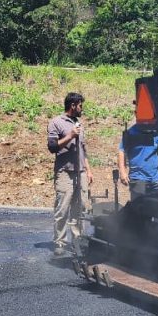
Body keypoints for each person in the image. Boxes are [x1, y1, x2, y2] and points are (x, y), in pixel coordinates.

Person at [47, 92, 94, 257]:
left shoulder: (79, 123)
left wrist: (88, 170)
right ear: (72, 105)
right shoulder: (56, 122)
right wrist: (70, 135)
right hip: (65, 173)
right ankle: (59, 241)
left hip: (80, 172)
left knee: (79, 208)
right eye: (80, 105)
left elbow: (83, 149)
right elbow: (52, 147)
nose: (82, 108)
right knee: (62, 209)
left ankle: (77, 241)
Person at [118, 123, 158, 199]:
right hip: (138, 178)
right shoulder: (131, 133)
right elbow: (122, 151)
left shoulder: (156, 132)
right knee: (138, 204)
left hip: (156, 179)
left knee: (157, 204)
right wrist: (122, 172)